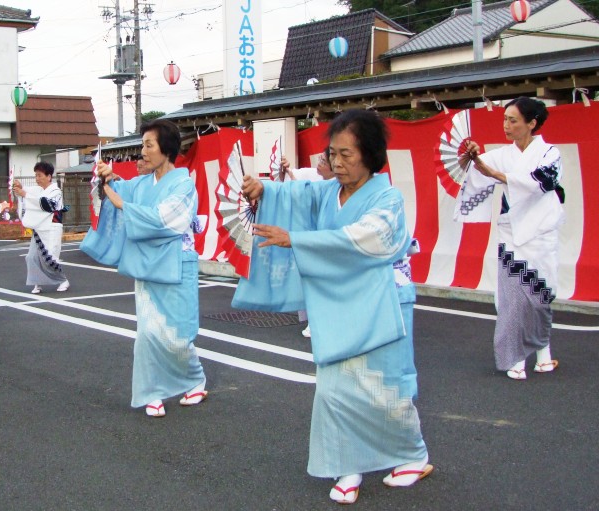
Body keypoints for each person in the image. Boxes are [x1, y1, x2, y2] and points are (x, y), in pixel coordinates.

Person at [238, 110, 431, 504]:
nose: (337, 163)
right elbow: (298, 194)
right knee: (335, 388)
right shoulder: (328, 191)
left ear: (371, 154)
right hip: (338, 306)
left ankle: (413, 454)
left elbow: (366, 238)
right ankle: (348, 464)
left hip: (382, 304)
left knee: (386, 387)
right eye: (333, 154)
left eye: (347, 155)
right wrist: (264, 190)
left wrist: (299, 240)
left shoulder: (388, 198)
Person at [81, 119, 207, 418]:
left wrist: (124, 205)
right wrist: (109, 179)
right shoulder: (142, 183)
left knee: (178, 334)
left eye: (149, 145)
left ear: (167, 149)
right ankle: (153, 390)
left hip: (176, 265)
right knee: (149, 332)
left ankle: (195, 379)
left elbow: (168, 218)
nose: (143, 152)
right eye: (143, 145)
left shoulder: (184, 183)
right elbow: (121, 191)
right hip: (148, 266)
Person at [457, 97, 564, 380]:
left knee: (540, 295)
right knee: (513, 297)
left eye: (512, 120)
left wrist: (497, 174)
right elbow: (472, 170)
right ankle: (516, 359)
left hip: (541, 231)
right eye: (505, 119)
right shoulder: (503, 154)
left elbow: (545, 181)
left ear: (531, 123)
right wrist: (472, 154)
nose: (506, 125)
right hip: (512, 232)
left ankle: (543, 357)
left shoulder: (549, 153)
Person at [277, 151, 335, 338]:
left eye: (324, 161)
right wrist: (284, 170)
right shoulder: (311, 174)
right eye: (320, 159)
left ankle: (323, 320)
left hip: (324, 239)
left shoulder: (337, 186)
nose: (319, 163)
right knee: (311, 280)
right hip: (310, 237)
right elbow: (291, 182)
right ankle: (314, 320)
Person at [13, 162, 70, 294]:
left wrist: (24, 193)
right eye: (36, 175)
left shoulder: (56, 191)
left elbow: (47, 204)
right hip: (39, 228)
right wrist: (20, 188)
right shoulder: (38, 190)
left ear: (49, 176)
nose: (37, 178)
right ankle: (37, 282)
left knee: (49, 258)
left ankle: (63, 280)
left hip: (51, 228)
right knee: (31, 257)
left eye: (39, 175)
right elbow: (27, 192)